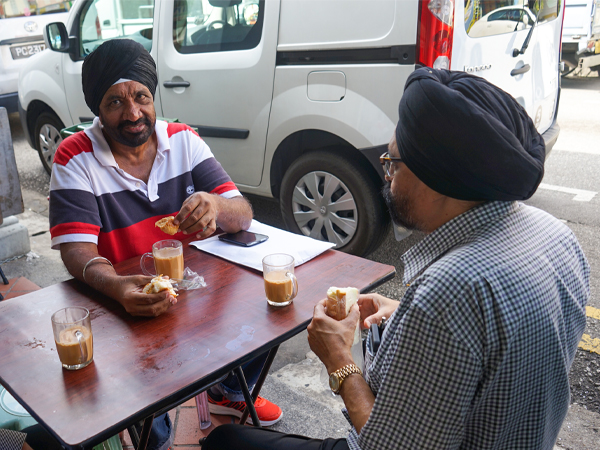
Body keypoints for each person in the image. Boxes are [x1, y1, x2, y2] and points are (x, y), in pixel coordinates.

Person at [202, 68, 590, 449]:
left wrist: (339, 360)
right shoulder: (556, 234)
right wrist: (405, 311)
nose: (386, 177)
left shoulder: (449, 290)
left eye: (392, 163)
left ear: (435, 178)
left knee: (224, 440)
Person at [49, 39, 282, 450]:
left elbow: (242, 213)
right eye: (115, 102)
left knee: (270, 314)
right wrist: (119, 287)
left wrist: (215, 205)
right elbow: (76, 252)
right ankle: (151, 436)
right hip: (127, 305)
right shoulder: (75, 158)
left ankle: (226, 391)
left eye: (141, 96)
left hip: (198, 292)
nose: (133, 112)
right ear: (97, 111)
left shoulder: (183, 140)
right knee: (148, 403)